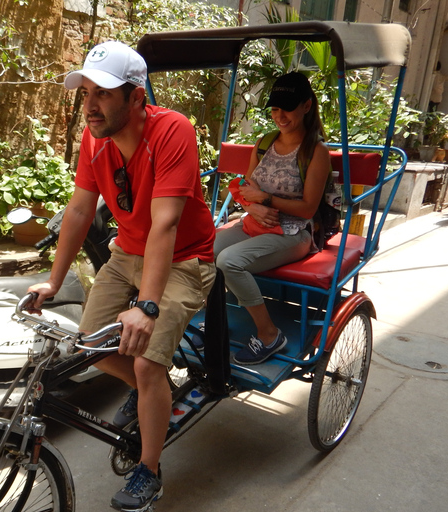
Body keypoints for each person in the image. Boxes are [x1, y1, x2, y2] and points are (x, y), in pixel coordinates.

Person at [26, 40, 216, 511]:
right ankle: (150, 392)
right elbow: (77, 211)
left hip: (185, 259)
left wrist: (146, 307)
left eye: (104, 94)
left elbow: (166, 226)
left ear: (137, 98)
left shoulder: (173, 132)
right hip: (128, 250)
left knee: (148, 360)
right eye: (86, 91)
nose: (90, 105)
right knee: (89, 343)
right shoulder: (95, 139)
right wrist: (53, 281)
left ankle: (148, 469)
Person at [214, 71, 331, 365]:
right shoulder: (264, 143)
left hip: (293, 234)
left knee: (229, 260)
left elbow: (307, 209)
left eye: (287, 108)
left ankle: (269, 335)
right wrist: (252, 206)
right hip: (253, 224)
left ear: (306, 106)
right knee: (202, 247)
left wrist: (266, 200)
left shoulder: (315, 152)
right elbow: (246, 188)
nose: (280, 115)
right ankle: (215, 319)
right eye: (275, 109)